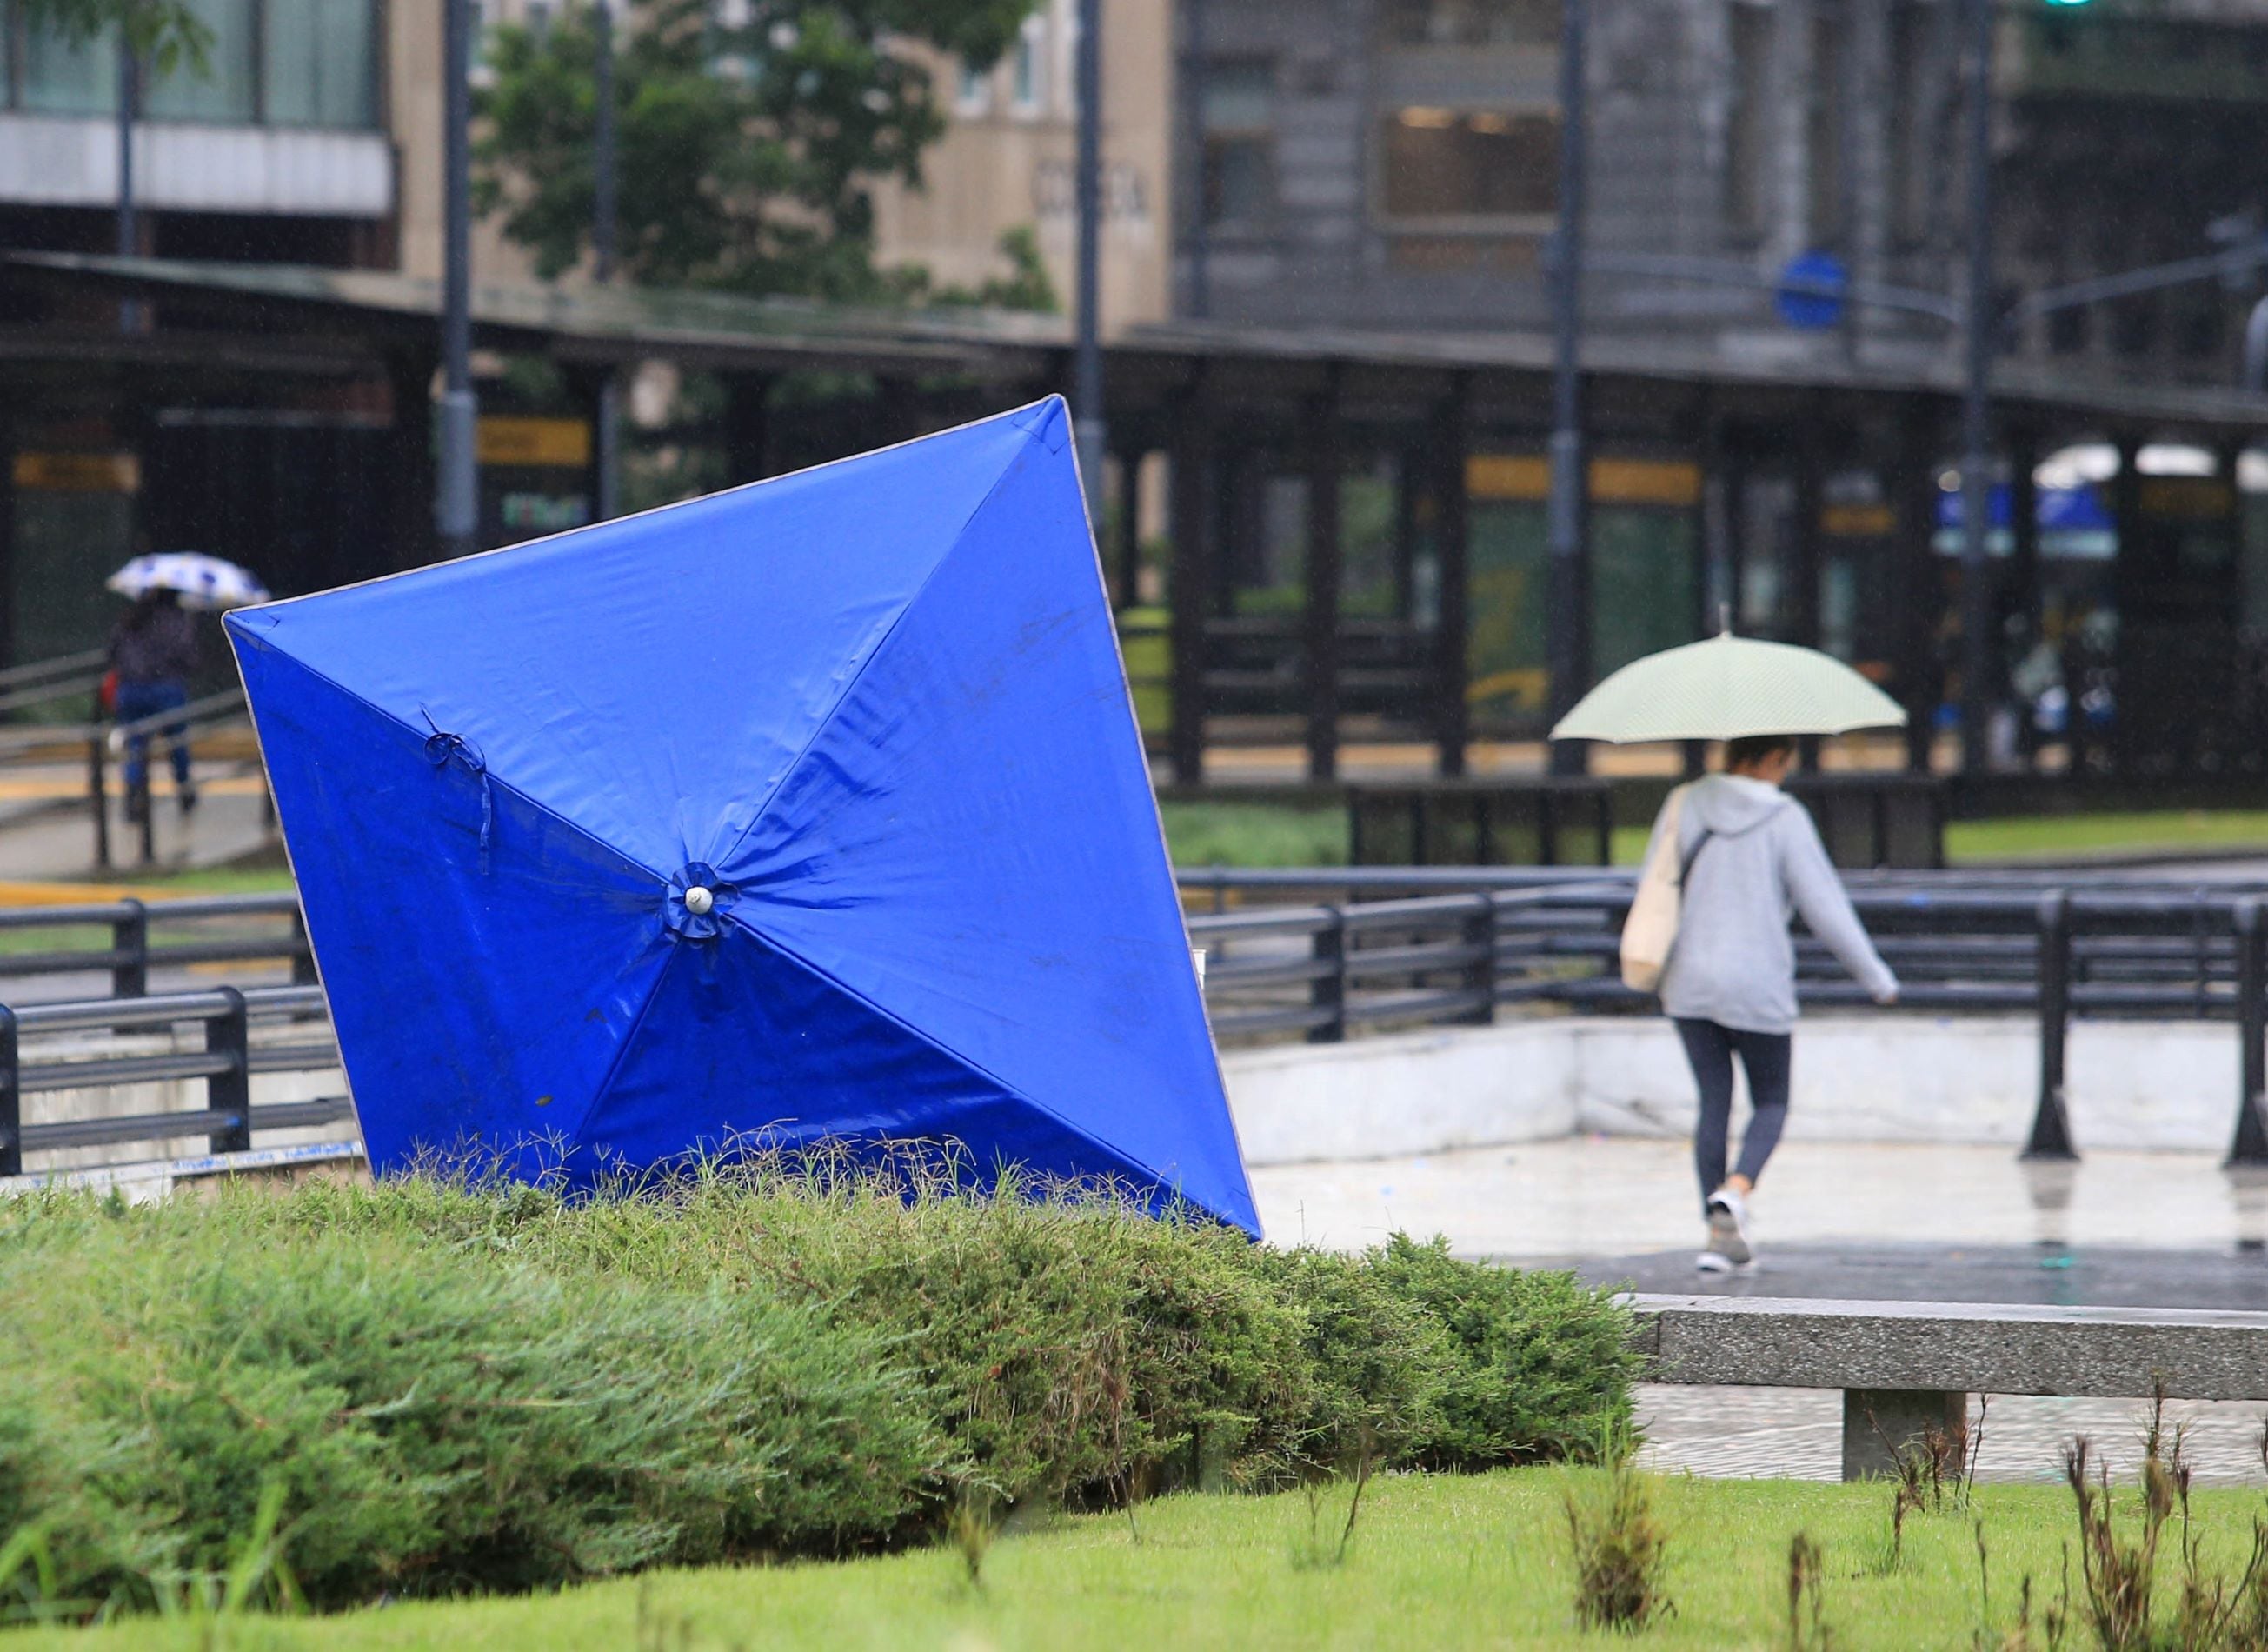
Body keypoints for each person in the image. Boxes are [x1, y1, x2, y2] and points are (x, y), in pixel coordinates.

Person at [1641, 734, 1899, 1274]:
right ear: (1767, 760)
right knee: (1772, 1101)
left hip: (1688, 980)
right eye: (1783, 765)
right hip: (1756, 982)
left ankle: (1718, 1236)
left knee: (1713, 1102)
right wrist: (1875, 977)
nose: (1784, 776)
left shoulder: (1684, 802)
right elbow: (1823, 904)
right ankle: (1736, 1190)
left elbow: (1654, 884)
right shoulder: (1785, 817)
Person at [107, 588, 199, 820]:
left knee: (135, 745)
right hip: (166, 689)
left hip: (131, 689)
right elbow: (188, 657)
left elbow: (112, 653)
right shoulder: (177, 621)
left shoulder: (129, 619)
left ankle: (134, 794)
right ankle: (184, 789)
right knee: (177, 744)